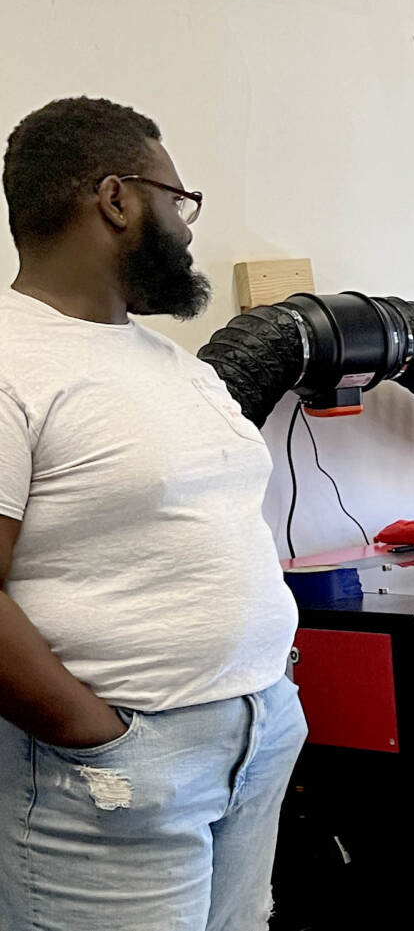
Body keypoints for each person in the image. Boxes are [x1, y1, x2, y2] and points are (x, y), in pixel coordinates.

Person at [0, 97, 306, 928]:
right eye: (179, 199)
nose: (187, 225)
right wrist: (100, 739)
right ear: (116, 199)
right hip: (117, 769)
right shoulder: (12, 359)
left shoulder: (169, 363)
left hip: (256, 736)